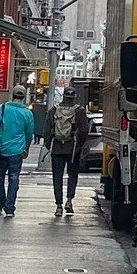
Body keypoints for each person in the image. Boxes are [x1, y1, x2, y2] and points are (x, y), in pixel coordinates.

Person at [0, 84, 35, 218]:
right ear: (23, 97)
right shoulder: (27, 113)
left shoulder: (2, 108)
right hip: (17, 150)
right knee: (14, 178)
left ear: (12, 95)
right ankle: (10, 208)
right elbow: (29, 134)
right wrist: (26, 149)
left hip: (1, 149)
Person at [47, 86, 89, 216]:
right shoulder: (80, 111)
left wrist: (50, 145)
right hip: (73, 149)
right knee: (72, 175)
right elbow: (84, 130)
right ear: (74, 97)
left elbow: (47, 130)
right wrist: (79, 145)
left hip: (57, 149)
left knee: (57, 177)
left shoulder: (53, 110)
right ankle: (69, 200)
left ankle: (58, 205)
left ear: (63, 96)